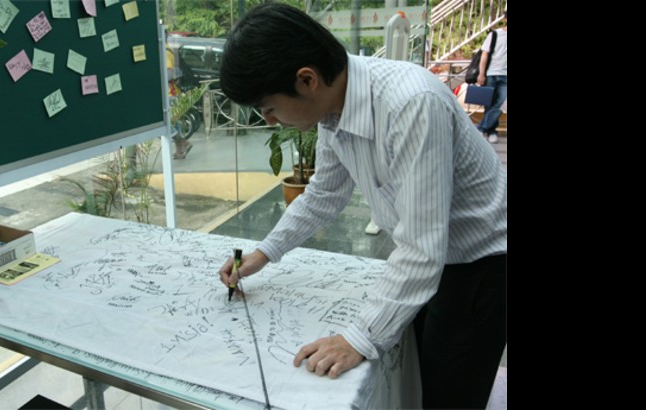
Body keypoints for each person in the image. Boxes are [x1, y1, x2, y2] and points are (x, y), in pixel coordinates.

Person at [217, 3, 506, 409]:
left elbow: (423, 248)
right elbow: (324, 194)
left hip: (482, 264)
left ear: (307, 79)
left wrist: (358, 338)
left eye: (268, 107)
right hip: (436, 256)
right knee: (415, 369)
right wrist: (262, 254)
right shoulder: (336, 108)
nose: (269, 120)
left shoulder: (411, 104)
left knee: (450, 390)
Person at [476, 11, 507, 144]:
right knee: (489, 104)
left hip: (506, 76)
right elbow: (485, 55)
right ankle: (492, 131)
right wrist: (481, 73)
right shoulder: (495, 34)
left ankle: (481, 128)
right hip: (491, 73)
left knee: (500, 104)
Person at [165, 41, 192, 159]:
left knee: (166, 123)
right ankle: (180, 150)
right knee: (175, 122)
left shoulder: (164, 52)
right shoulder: (170, 50)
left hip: (169, 93)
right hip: (173, 92)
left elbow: (170, 74)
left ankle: (182, 142)